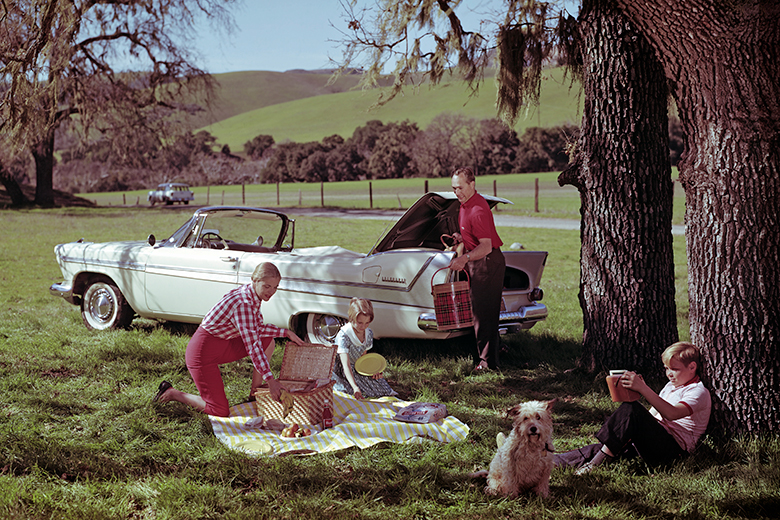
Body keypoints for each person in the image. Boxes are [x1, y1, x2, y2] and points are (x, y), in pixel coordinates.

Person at [153, 262, 304, 417]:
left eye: (275, 287)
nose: (271, 292)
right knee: (219, 410)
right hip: (201, 354)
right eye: (267, 286)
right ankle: (173, 393)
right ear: (254, 280)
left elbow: (255, 329)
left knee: (267, 340)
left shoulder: (252, 294)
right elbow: (253, 347)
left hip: (222, 344)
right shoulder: (243, 304)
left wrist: (285, 333)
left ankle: (254, 393)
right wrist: (271, 381)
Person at [555, 341, 712, 474]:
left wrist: (643, 389)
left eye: (675, 369)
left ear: (692, 367)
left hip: (674, 452)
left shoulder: (698, 391)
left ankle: (594, 466)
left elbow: (672, 413)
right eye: (666, 368)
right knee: (604, 447)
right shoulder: (671, 386)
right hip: (654, 441)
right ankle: (552, 461)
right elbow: (653, 413)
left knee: (632, 410)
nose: (669, 374)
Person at [448, 167, 506, 372]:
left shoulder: (478, 209)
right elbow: (475, 237)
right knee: (483, 312)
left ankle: (487, 364)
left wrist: (464, 258)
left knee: (484, 315)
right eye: (454, 188)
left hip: (487, 262)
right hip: (481, 260)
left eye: (461, 187)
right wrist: (461, 237)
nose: (457, 192)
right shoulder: (465, 204)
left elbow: (486, 246)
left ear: (472, 184)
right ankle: (494, 353)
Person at [331, 298, 396, 399]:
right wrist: (355, 387)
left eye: (367, 323)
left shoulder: (368, 333)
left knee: (384, 389)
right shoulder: (344, 336)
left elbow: (363, 358)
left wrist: (371, 370)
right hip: (343, 370)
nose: (363, 326)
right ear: (351, 319)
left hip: (357, 367)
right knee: (347, 393)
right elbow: (346, 365)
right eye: (360, 323)